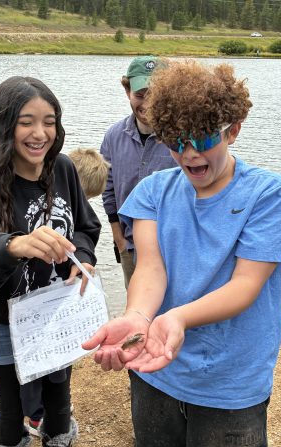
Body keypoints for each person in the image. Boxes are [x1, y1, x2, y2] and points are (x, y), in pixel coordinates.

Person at [83, 60, 281, 447]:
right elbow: (151, 267)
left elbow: (246, 284)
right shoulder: (153, 191)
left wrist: (179, 317)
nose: (189, 155)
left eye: (202, 140)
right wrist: (137, 316)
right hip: (155, 369)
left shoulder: (268, 195)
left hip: (232, 381)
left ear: (232, 131)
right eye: (175, 141)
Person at [0, 76, 101, 447]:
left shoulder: (62, 169)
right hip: (1, 319)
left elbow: (86, 226)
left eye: (49, 121)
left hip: (57, 313)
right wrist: (15, 245)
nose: (39, 133)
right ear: (3, 124)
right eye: (26, 122)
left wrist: (83, 257)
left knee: (59, 402)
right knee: (11, 409)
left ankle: (59, 440)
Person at [28, 147, 109, 438]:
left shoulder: (73, 207)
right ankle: (37, 416)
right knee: (34, 362)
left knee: (57, 364)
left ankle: (52, 410)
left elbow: (87, 230)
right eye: (84, 198)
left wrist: (84, 258)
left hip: (58, 301)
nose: (83, 204)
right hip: (32, 303)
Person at [100, 55, 177, 289]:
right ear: (127, 92)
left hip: (174, 251)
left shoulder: (183, 137)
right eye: (140, 95)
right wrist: (120, 242)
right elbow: (108, 192)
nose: (148, 104)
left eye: (156, 95)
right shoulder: (113, 136)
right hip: (130, 250)